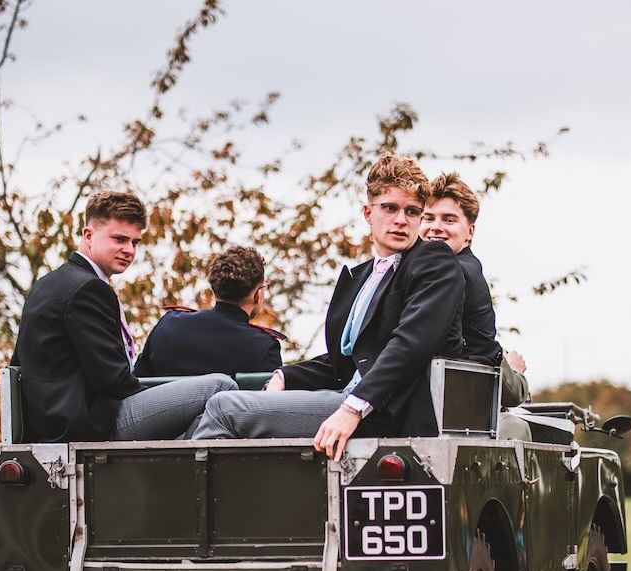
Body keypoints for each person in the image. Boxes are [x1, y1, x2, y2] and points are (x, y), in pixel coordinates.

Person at [192, 152, 464, 460]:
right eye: (390, 208)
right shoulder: (361, 276)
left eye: (412, 211)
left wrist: (352, 409)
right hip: (346, 397)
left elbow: (412, 343)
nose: (401, 220)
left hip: (386, 410)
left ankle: (188, 492)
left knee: (223, 408)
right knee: (204, 411)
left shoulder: (434, 261)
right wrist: (284, 376)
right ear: (368, 213)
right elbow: (344, 361)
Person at [11, 191, 235, 443]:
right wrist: (154, 398)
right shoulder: (87, 289)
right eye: (119, 239)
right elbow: (112, 379)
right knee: (221, 386)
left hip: (55, 423)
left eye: (135, 242)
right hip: (88, 425)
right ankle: (184, 465)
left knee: (199, 414)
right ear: (88, 235)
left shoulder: (50, 283)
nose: (128, 250)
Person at [419, 172, 530, 408]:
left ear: (469, 232)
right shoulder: (431, 266)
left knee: (516, 383)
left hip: (486, 371)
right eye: (428, 218)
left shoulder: (457, 269)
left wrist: (511, 368)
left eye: (449, 220)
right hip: (464, 368)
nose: (436, 227)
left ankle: (516, 370)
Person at [133, 246, 283, 378]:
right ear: (257, 295)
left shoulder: (169, 324)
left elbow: (138, 382)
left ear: (214, 289)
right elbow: (270, 399)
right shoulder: (264, 346)